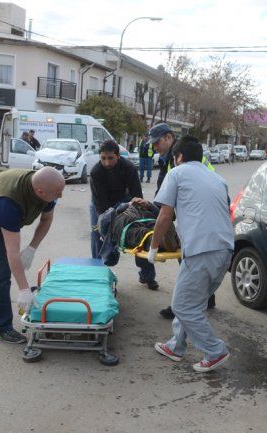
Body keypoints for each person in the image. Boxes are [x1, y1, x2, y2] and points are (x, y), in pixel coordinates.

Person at [149, 135, 234, 373]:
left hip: (201, 249)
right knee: (191, 302)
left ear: (179, 157)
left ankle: (216, 351)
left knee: (183, 305)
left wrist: (153, 248)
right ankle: (175, 346)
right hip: (225, 248)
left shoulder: (176, 173)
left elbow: (165, 216)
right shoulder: (217, 178)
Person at [0, 167, 65, 343]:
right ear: (40, 191)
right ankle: (1, 328)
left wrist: (32, 248)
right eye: (58, 193)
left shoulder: (48, 189)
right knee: (1, 270)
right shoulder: (10, 201)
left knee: (0, 264)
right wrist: (24, 290)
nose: (61, 196)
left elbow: (46, 219)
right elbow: (12, 251)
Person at [149, 123, 216, 319]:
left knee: (188, 260)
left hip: (197, 214)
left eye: (157, 142)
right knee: (192, 260)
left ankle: (182, 304)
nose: (155, 147)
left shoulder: (182, 158)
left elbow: (179, 194)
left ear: (169, 137)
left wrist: (162, 222)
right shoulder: (170, 159)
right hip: (198, 213)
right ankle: (206, 298)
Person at [89, 139, 159, 290]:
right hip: (101, 203)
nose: (107, 162)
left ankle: (147, 275)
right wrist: (105, 228)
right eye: (103, 158)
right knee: (97, 236)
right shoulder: (96, 172)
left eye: (110, 158)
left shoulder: (129, 168)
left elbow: (137, 196)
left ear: (118, 156)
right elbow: (101, 205)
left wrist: (132, 210)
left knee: (140, 233)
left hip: (126, 200)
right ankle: (97, 274)